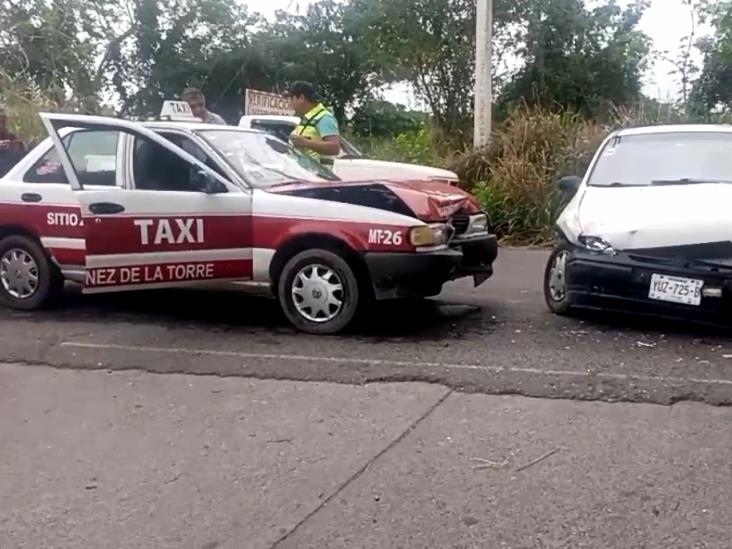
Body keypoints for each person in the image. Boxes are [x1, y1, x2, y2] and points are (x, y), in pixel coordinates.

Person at [284, 81, 341, 167]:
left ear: (302, 98)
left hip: (317, 175)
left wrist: (306, 143)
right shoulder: (307, 117)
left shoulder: (324, 118)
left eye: (292, 98)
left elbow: (334, 148)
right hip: (303, 173)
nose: (290, 103)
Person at [0, 110, 25, 177]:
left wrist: (17, 146)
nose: (2, 125)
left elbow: (20, 150)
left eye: (3, 122)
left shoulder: (9, 136)